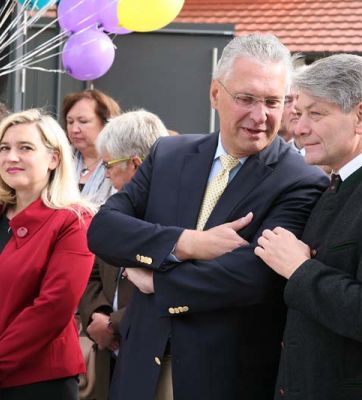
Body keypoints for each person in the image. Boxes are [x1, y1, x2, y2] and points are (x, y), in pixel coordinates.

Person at [88, 33, 328, 400]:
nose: (260, 116)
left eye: (272, 101)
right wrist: (185, 243)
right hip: (140, 369)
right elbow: (104, 230)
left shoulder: (301, 180)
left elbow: (253, 276)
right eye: (246, 99)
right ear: (215, 94)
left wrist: (158, 281)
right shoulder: (168, 155)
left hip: (223, 378)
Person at [255, 54, 362, 400]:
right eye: (298, 114)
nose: (299, 128)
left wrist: (299, 268)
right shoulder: (336, 185)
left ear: (361, 116)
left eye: (315, 114)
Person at [0, 109, 96, 399]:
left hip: (37, 382)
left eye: (25, 148)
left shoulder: (73, 220)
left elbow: (53, 307)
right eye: (4, 148)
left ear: (54, 158)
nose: (11, 157)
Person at [79, 109, 169, 400]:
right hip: (109, 356)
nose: (105, 174)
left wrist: (114, 323)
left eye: (108, 164)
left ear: (136, 164)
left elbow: (174, 288)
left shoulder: (177, 216)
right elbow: (92, 270)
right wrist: (97, 315)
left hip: (152, 357)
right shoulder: (115, 212)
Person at [62, 89, 121, 205]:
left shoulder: (121, 163)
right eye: (70, 122)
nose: (74, 129)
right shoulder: (59, 159)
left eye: (83, 121)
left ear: (106, 123)